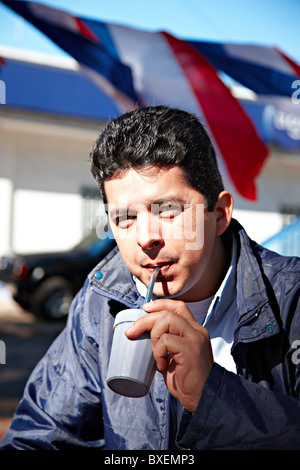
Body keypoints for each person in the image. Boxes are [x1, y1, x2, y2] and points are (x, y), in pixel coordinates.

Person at [1, 105, 300, 450]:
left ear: (219, 215)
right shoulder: (103, 298)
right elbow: (38, 435)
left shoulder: (290, 300)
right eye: (125, 218)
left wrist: (214, 395)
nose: (146, 237)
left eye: (168, 210)